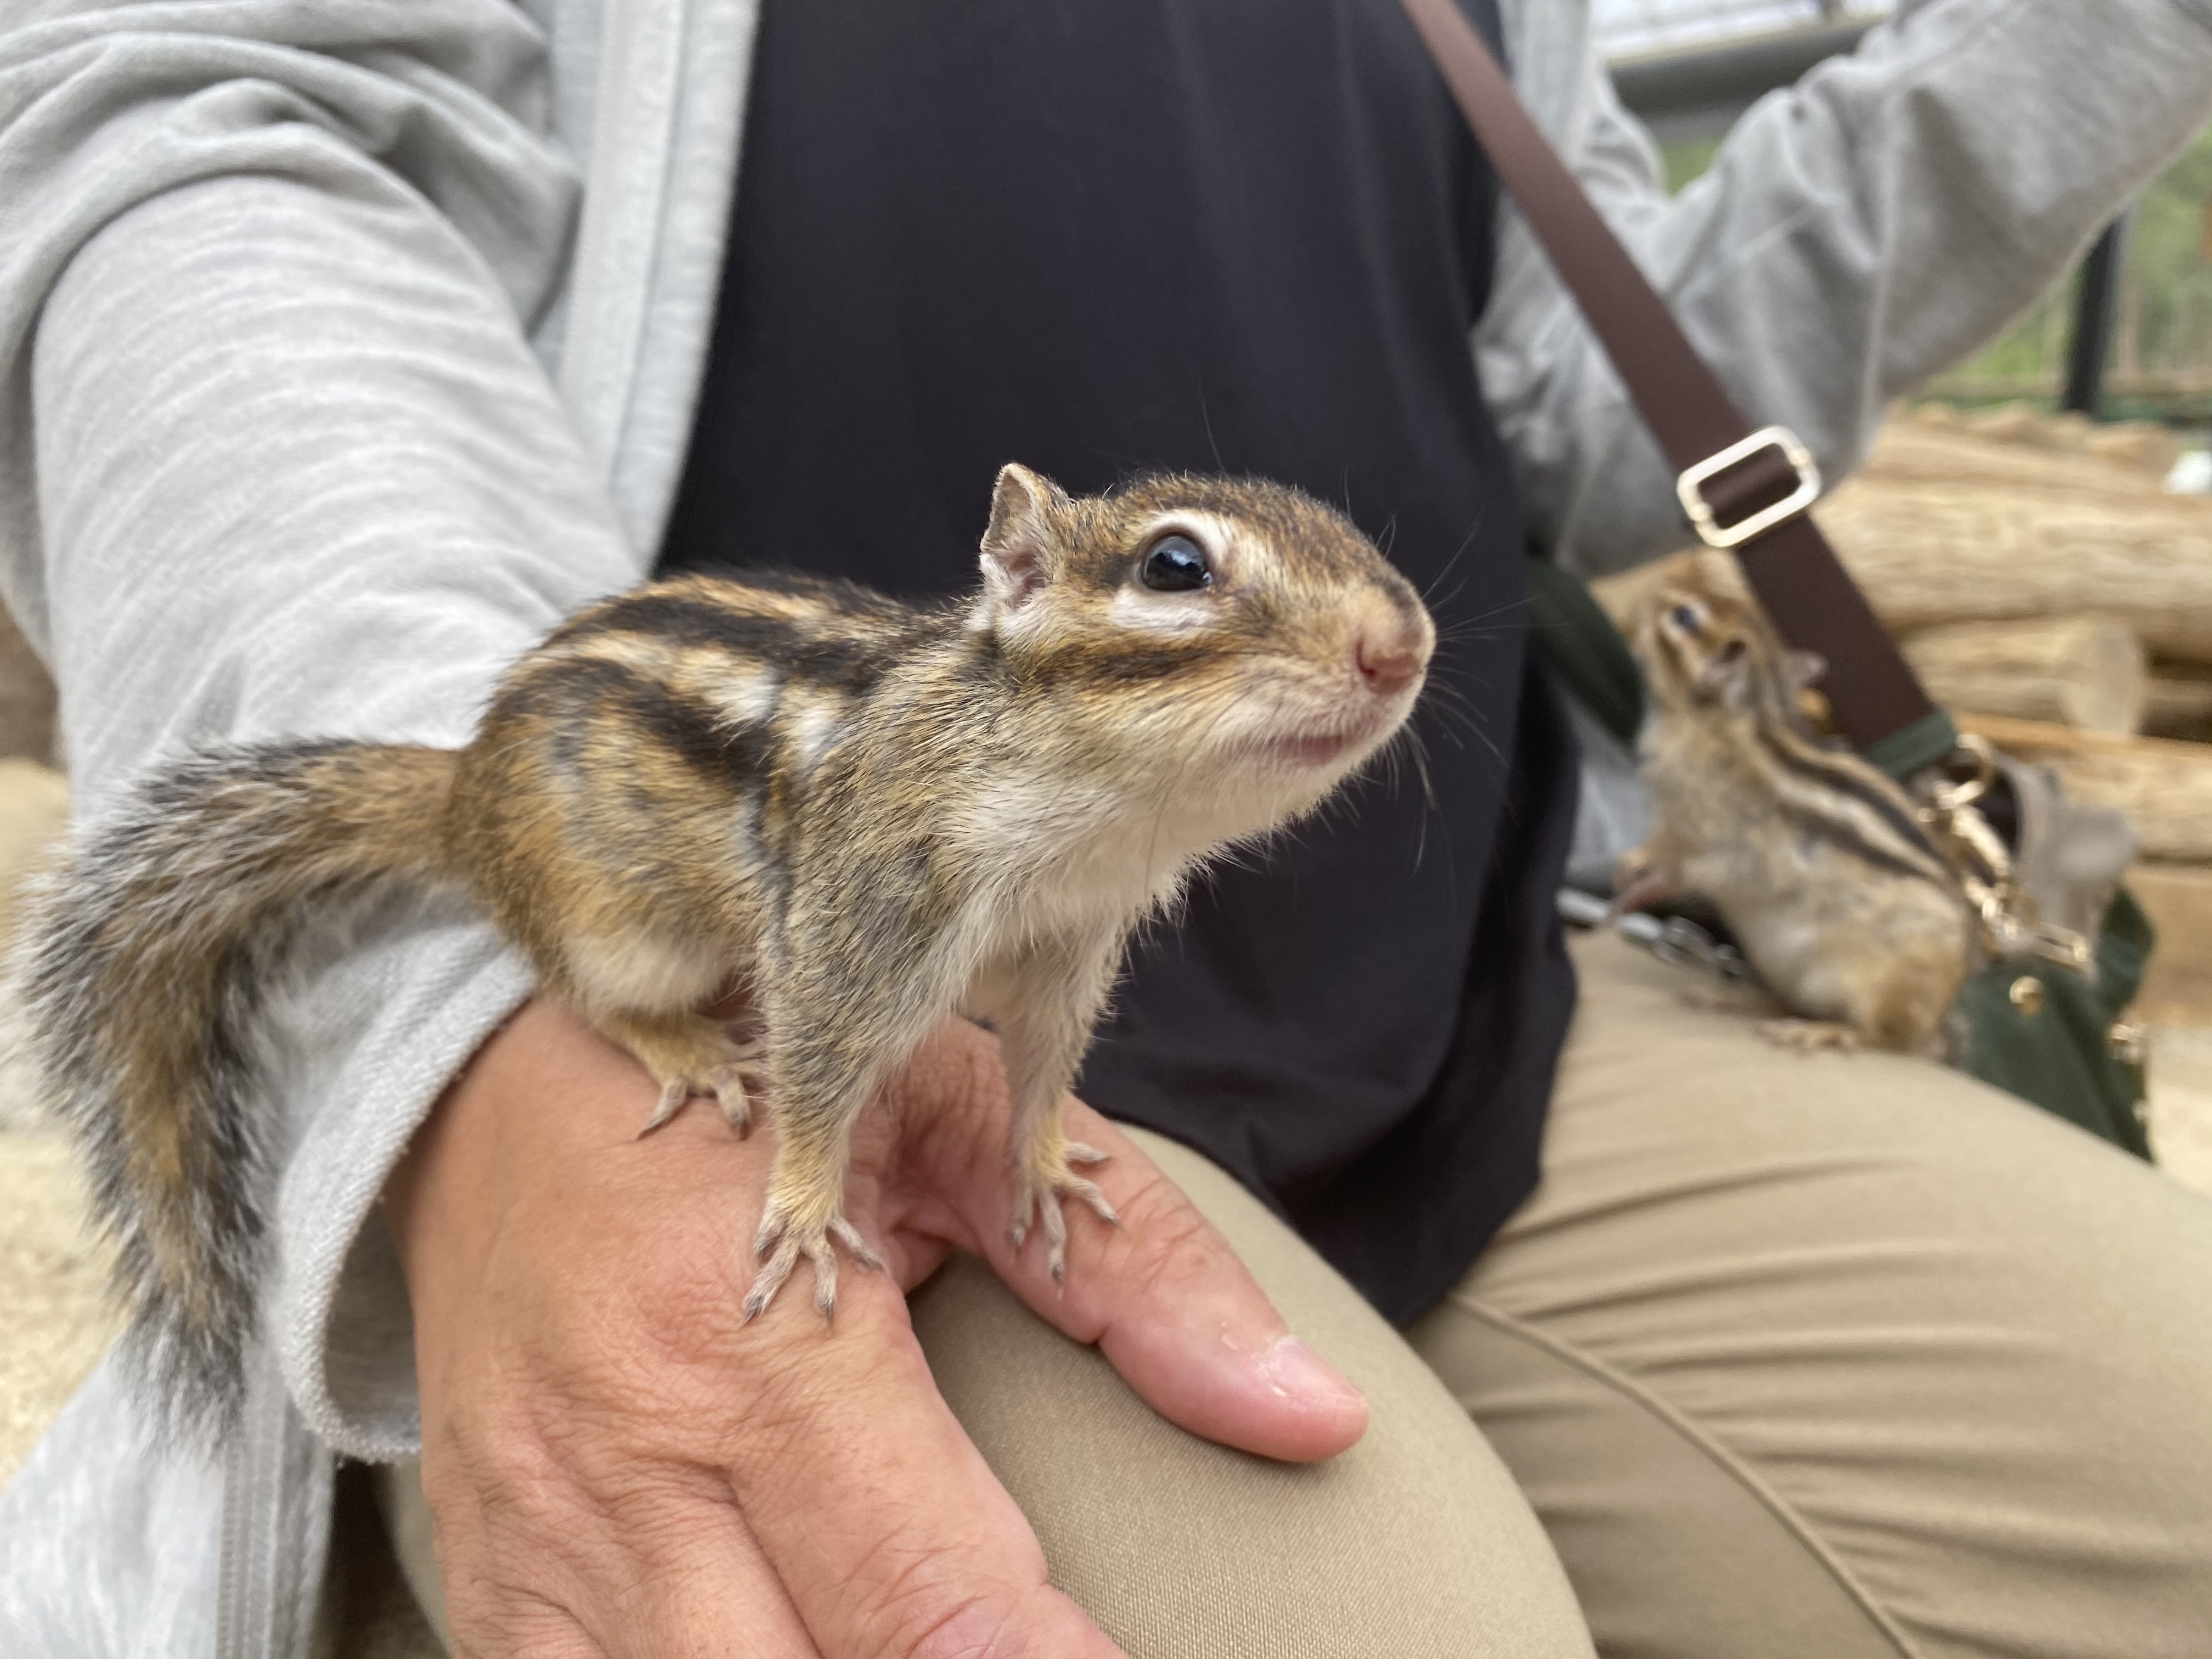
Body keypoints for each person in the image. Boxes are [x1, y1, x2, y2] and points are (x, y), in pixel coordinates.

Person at [3, 1, 2211, 1654]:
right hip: (774, 1041)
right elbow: (192, 103)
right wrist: (481, 1059)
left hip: (1468, 988)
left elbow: (1560, 397)